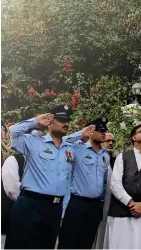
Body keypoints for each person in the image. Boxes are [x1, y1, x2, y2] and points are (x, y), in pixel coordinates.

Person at [4, 104, 94, 249]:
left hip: (54, 209)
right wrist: (35, 121)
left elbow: (67, 183)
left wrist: (80, 134)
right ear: (50, 121)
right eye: (61, 120)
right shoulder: (33, 142)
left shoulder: (69, 147)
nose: (66, 123)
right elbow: (8, 135)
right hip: (30, 205)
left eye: (67, 120)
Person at [104, 124, 141, 249]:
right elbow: (115, 183)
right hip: (122, 212)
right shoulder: (122, 157)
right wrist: (131, 203)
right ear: (134, 137)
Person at [58, 116, 110, 249]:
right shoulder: (77, 148)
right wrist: (81, 133)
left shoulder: (105, 155)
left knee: (86, 244)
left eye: (105, 130)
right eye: (100, 130)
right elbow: (61, 141)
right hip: (76, 204)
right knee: (68, 243)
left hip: (94, 206)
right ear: (91, 131)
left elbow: (104, 183)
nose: (104, 133)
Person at [93, 132, 116, 249]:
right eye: (108, 141)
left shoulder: (117, 161)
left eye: (113, 141)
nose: (111, 143)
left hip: (110, 206)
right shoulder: (94, 158)